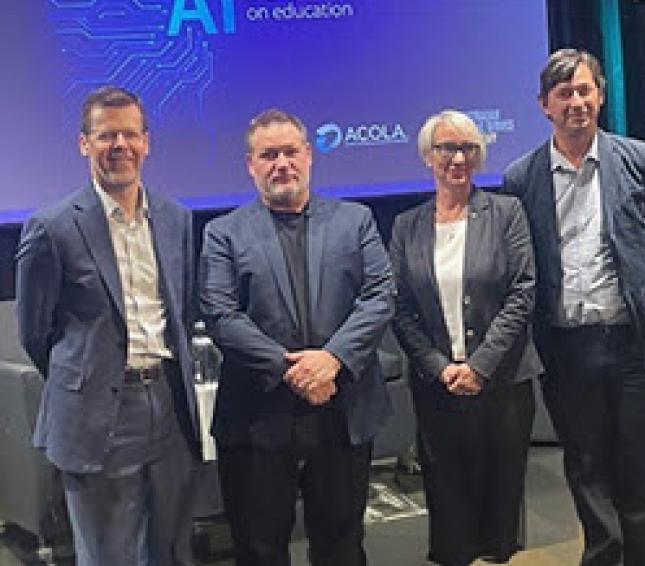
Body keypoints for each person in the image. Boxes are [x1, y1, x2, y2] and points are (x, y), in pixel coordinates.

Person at [502, 49, 645, 566]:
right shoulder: (521, 178)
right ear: (544, 105)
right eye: (564, 93)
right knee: (586, 467)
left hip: (638, 347)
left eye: (585, 90)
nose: (577, 102)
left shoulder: (642, 161)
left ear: (601, 96)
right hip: (568, 350)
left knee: (640, 471)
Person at [197, 109, 395, 566]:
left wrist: (332, 361)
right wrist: (296, 370)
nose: (281, 163)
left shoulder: (355, 219)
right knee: (259, 549)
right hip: (257, 417)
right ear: (251, 164)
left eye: (290, 151)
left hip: (341, 407)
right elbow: (221, 315)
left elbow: (381, 295)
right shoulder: (223, 233)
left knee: (342, 545)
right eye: (269, 155)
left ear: (309, 155)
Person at [15, 86, 199, 565]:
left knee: (171, 549)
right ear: (84, 144)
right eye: (106, 135)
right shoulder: (51, 227)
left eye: (130, 134)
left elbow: (181, 312)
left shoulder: (177, 219)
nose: (120, 145)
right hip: (99, 413)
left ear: (147, 142)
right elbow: (36, 332)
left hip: (170, 406)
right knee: (108, 556)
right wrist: (88, 376)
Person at [390, 110, 542, 566]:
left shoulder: (507, 213)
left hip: (503, 383)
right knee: (448, 495)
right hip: (437, 387)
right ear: (428, 156)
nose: (457, 158)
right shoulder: (406, 226)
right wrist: (440, 366)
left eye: (467, 149)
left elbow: (523, 292)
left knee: (500, 497)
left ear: (478, 156)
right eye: (446, 148)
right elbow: (399, 307)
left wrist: (479, 366)